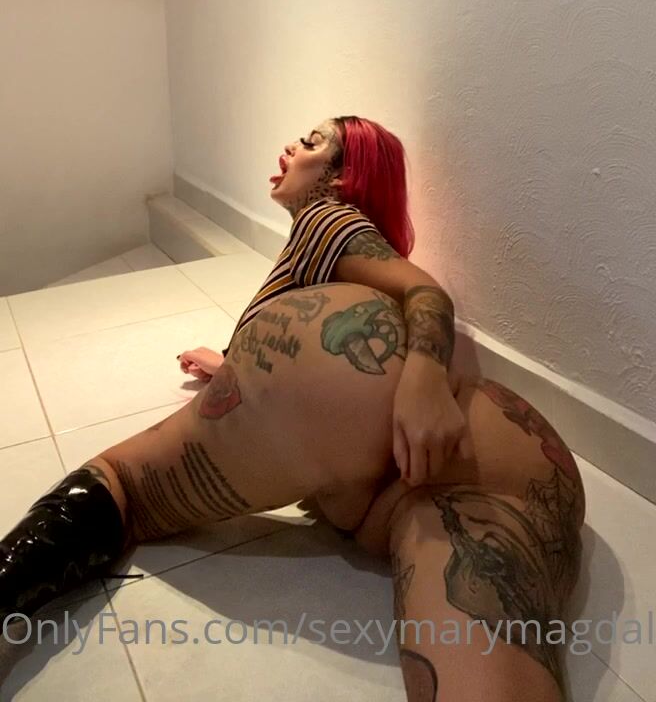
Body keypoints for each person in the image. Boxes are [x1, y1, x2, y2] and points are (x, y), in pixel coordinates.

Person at [0, 116, 585, 701]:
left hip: (386, 422)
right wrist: (233, 361)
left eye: (311, 143)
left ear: (341, 178)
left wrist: (424, 377)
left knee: (121, 485)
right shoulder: (329, 252)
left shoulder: (327, 218)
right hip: (498, 451)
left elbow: (425, 291)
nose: (290, 147)